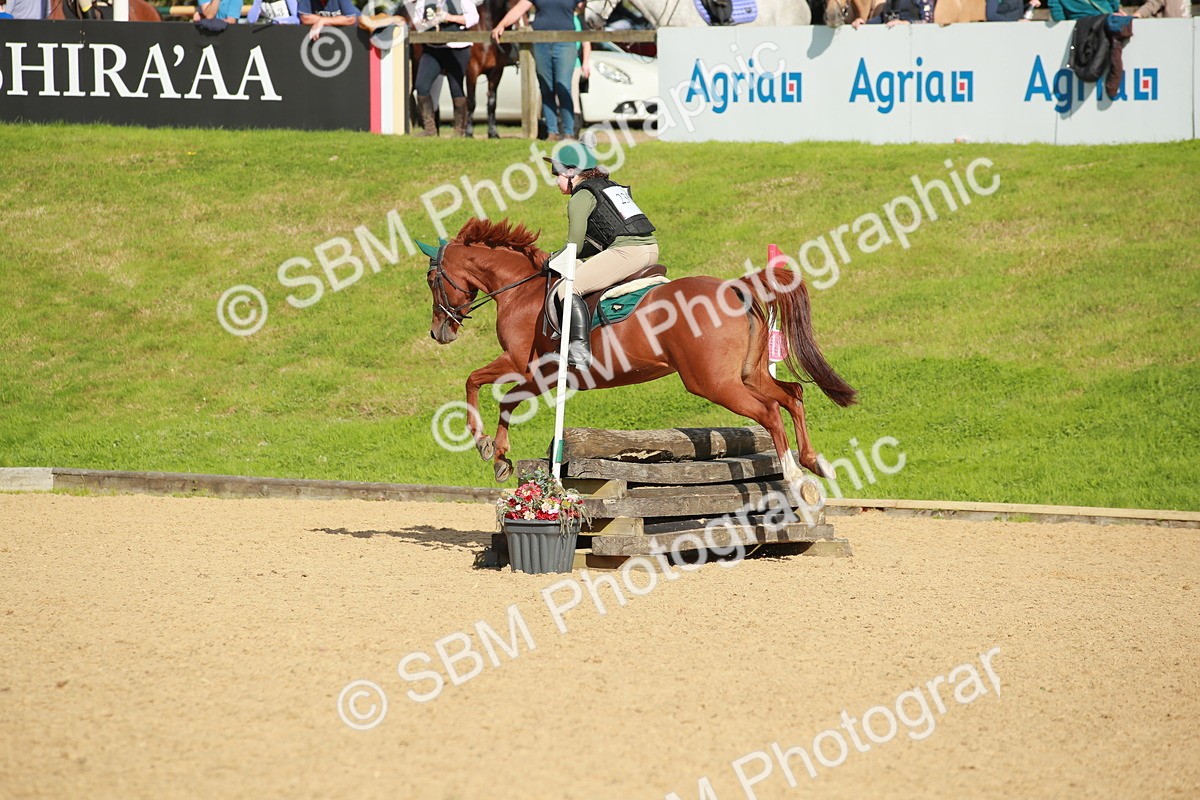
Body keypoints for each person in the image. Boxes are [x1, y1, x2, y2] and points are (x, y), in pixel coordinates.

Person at [543, 144, 658, 369]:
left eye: (556, 174)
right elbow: (597, 243)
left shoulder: (581, 196)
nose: (555, 180)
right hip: (650, 247)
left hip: (628, 251)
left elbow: (574, 245)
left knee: (568, 288)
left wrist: (554, 258)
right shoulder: (609, 187)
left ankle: (579, 351)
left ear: (570, 173)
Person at [492, 0, 582, 141]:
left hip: (565, 42)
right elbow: (519, 8)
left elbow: (591, 7)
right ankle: (552, 132)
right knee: (546, 87)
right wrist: (501, 25)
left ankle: (569, 132)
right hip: (541, 42)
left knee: (563, 86)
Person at [410, 0, 480, 138]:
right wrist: (427, 23)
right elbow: (417, 20)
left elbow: (473, 17)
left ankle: (459, 131)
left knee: (456, 88)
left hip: (457, 47)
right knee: (421, 85)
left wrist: (449, 17)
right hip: (433, 47)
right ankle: (430, 129)